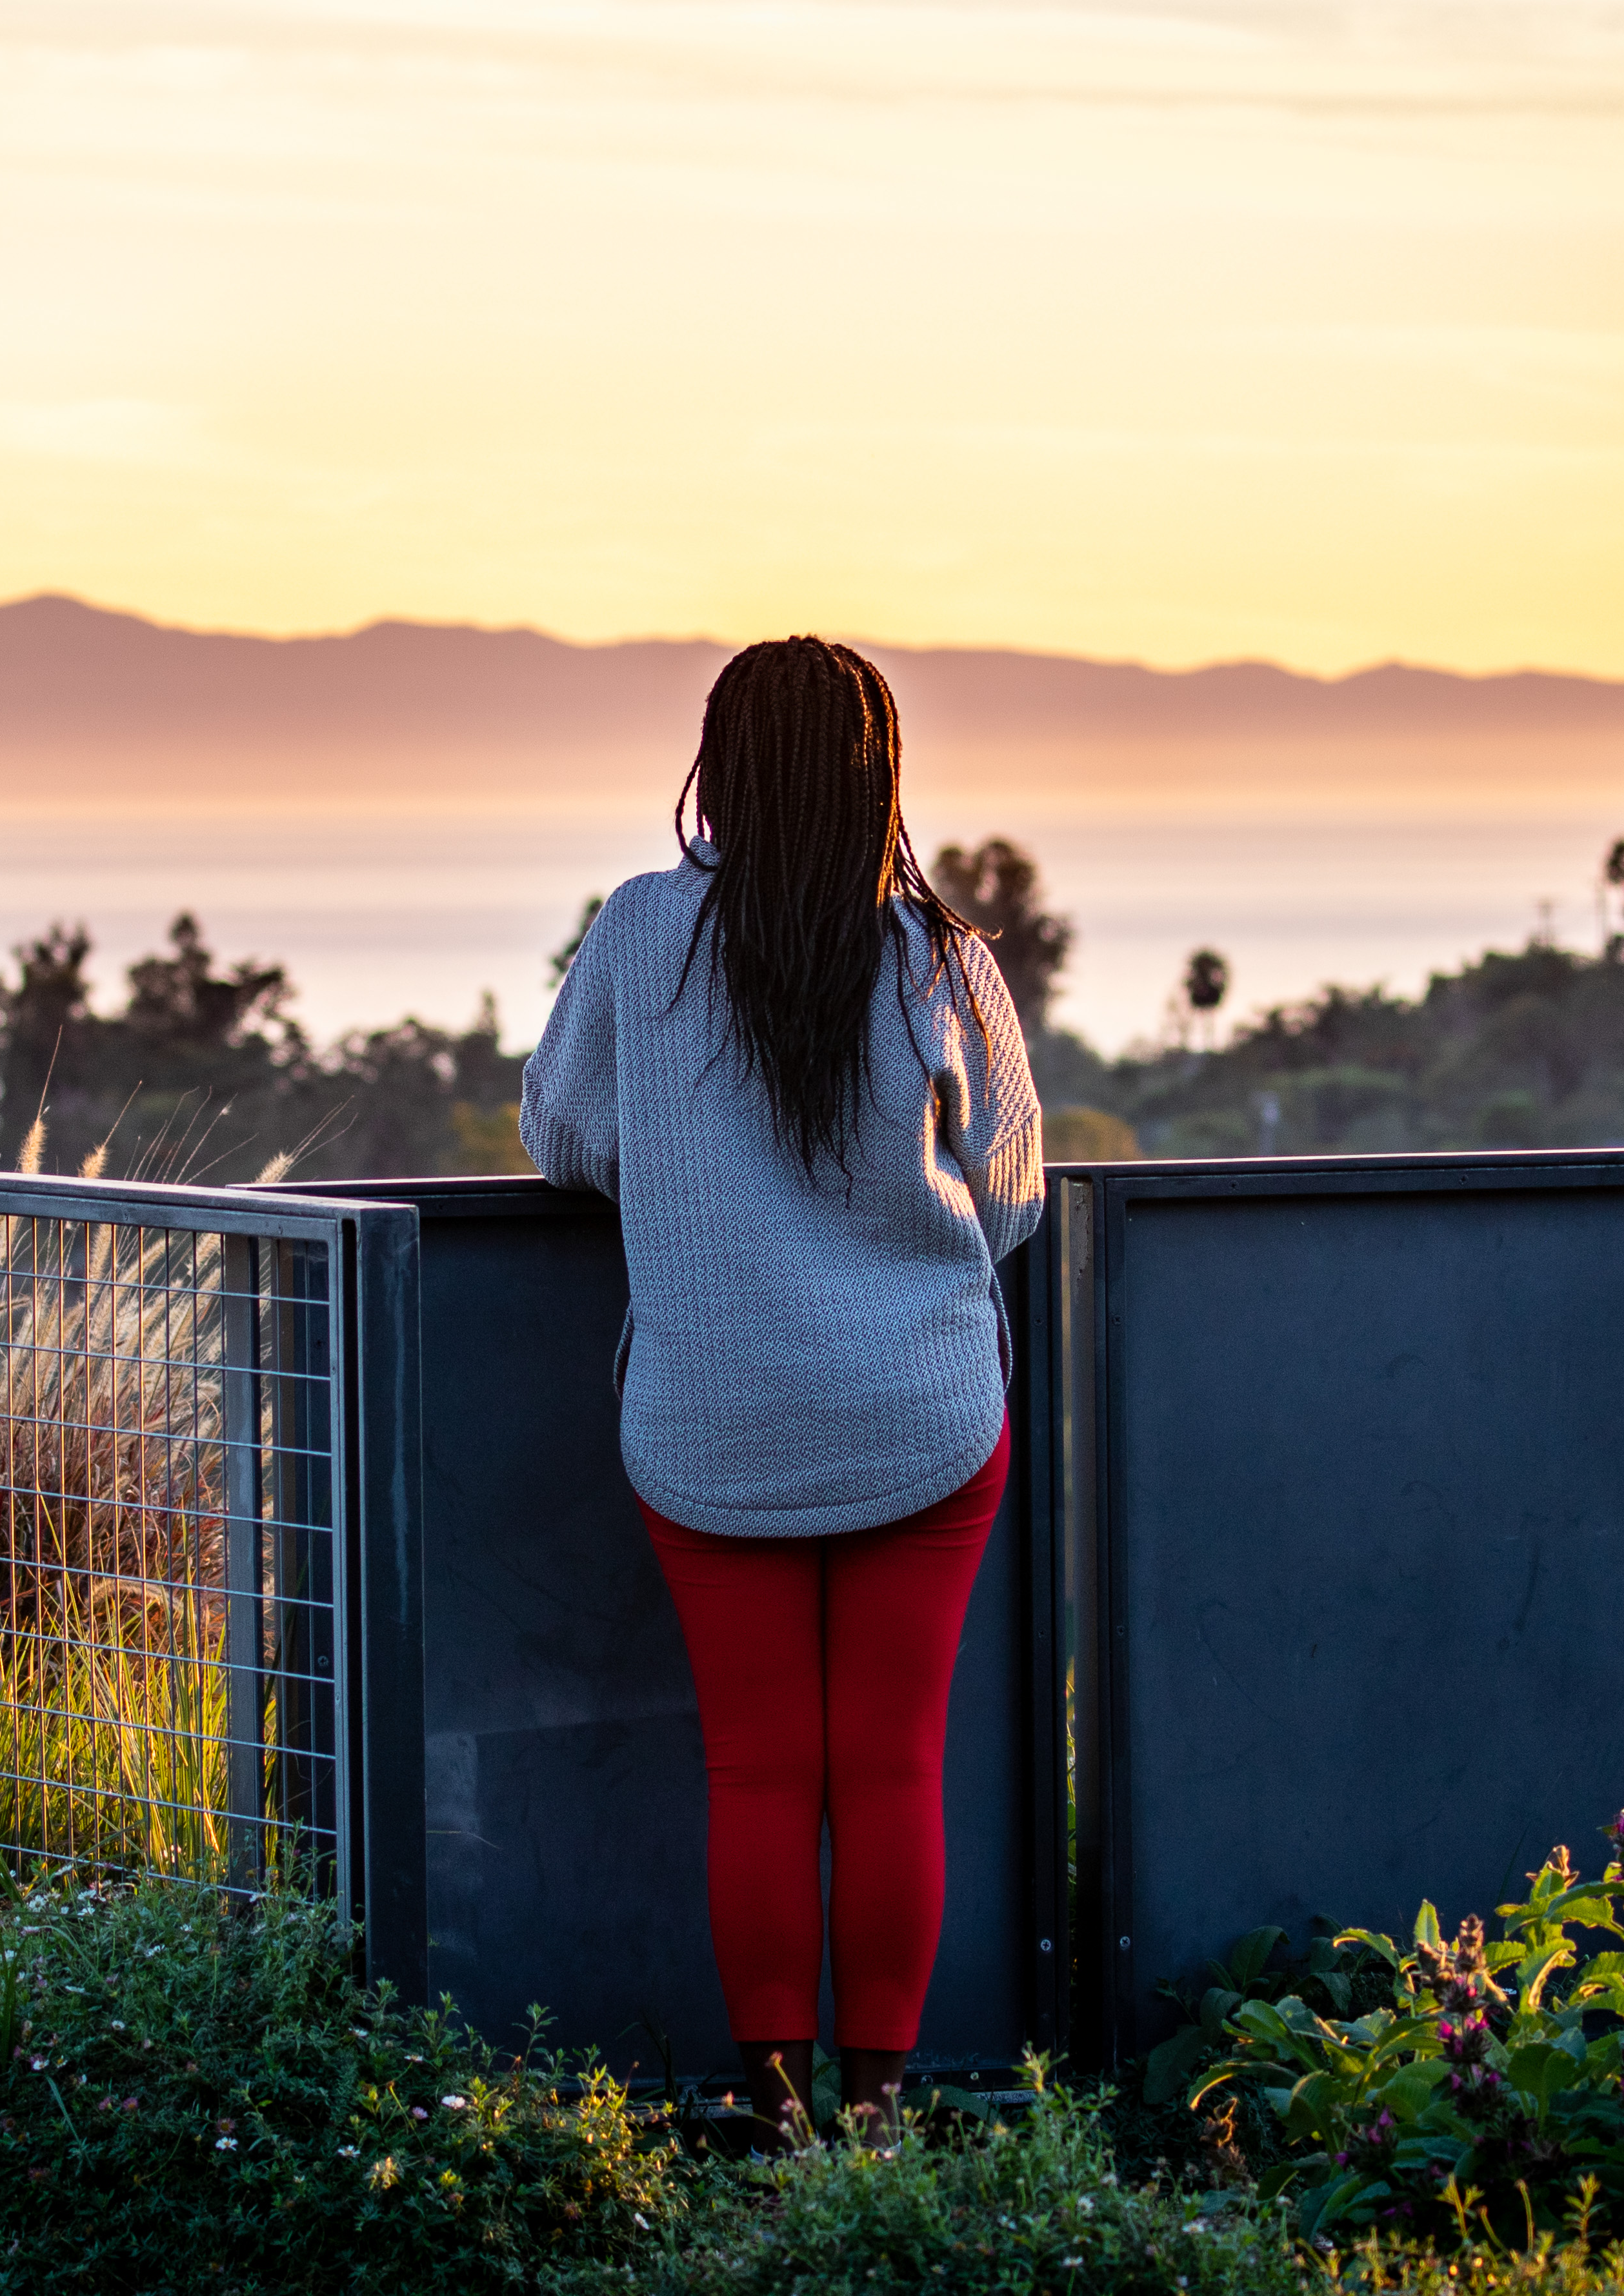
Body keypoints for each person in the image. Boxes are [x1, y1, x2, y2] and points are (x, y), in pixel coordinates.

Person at [519, 635, 1041, 2138]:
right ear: (882, 772)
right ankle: (880, 2117)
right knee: (890, 1768)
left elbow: (562, 1134)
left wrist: (692, 1179)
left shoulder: (639, 934)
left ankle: (778, 2111)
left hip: (709, 1418)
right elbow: (1008, 1194)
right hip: (925, 1419)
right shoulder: (942, 956)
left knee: (756, 1770)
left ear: (721, 768)